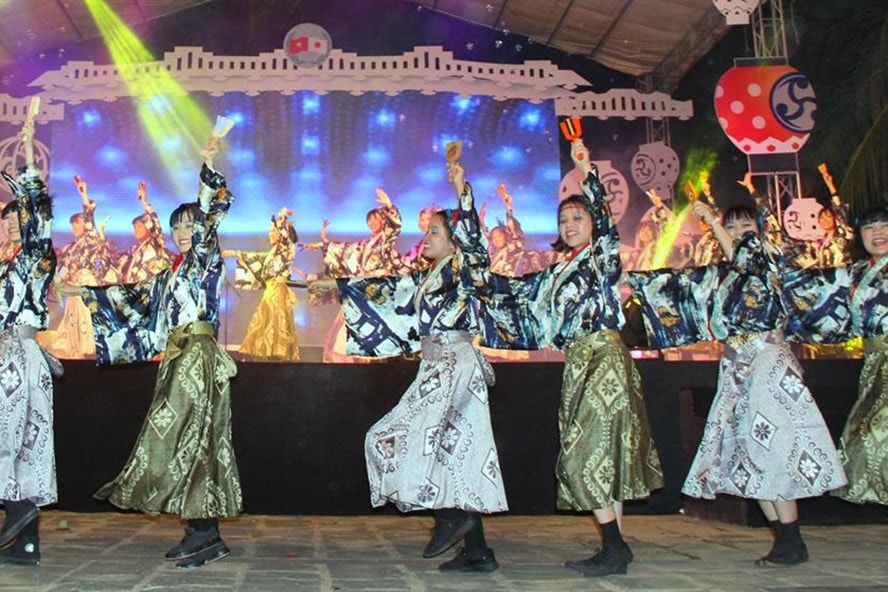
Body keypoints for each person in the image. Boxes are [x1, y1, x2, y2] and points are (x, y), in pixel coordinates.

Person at [627, 178, 847, 568]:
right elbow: (683, 288)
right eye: (734, 227)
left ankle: (792, 536)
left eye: (748, 226)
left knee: (773, 447)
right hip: (736, 365)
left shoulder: (769, 261)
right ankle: (784, 539)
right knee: (749, 451)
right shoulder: (723, 275)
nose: (741, 233)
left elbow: (747, 259)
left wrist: (713, 222)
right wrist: (635, 283)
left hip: (767, 362)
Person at [480, 137, 663, 578]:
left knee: (587, 454)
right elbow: (515, 294)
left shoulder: (600, 258)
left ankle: (615, 545)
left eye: (577, 217)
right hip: (577, 363)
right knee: (602, 453)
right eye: (564, 219)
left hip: (604, 356)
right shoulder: (556, 271)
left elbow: (603, 220)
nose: (570, 223)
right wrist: (475, 287)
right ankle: (614, 547)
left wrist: (586, 170)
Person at [73, 130, 241, 569]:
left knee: (195, 440)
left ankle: (204, 533)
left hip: (199, 358)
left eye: (189, 224)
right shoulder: (171, 273)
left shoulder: (205, 257)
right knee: (181, 440)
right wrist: (82, 291)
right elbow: (135, 298)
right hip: (177, 359)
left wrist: (208, 162)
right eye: (178, 226)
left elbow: (208, 212)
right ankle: (200, 531)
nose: (183, 231)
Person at [337, 159, 506, 573]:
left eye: (434, 231)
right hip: (436, 366)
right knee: (456, 455)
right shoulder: (429, 276)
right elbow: (388, 293)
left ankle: (450, 519)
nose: (425, 237)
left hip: (456, 364)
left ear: (455, 241)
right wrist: (339, 288)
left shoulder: (464, 269)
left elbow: (474, 242)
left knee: (393, 435)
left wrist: (461, 186)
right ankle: (478, 551)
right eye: (426, 230)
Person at [783, 204, 888, 506]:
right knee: (864, 439)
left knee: (874, 435)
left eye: (883, 225)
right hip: (875, 365)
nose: (877, 232)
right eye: (870, 227)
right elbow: (810, 289)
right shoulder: (855, 274)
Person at [0, 119, 59, 566]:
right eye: (7, 224)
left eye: (18, 222)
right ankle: (27, 544)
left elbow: (37, 216)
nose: (13, 229)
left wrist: (25, 156)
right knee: (21, 446)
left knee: (17, 442)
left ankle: (17, 516)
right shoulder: (7, 266)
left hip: (20, 356)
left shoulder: (36, 260)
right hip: (10, 357)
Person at [49, 175, 118, 359]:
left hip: (87, 285)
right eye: (72, 224)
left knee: (87, 322)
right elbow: (61, 264)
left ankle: (90, 352)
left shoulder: (91, 239)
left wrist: (84, 197)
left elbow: (90, 222)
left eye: (76, 222)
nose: (74, 227)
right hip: (73, 289)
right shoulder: (71, 247)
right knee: (72, 323)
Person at [223, 207, 300, 361]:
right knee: (266, 321)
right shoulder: (273, 252)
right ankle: (269, 355)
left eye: (273, 231)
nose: (269, 234)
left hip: (277, 289)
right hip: (271, 289)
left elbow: (286, 236)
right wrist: (233, 253)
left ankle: (277, 354)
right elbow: (256, 257)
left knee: (275, 322)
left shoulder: (285, 248)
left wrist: (282, 217)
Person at [116, 180, 173, 283]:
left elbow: (155, 222)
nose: (136, 230)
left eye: (139, 227)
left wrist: (144, 202)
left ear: (148, 227)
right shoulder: (133, 250)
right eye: (134, 228)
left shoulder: (156, 243)